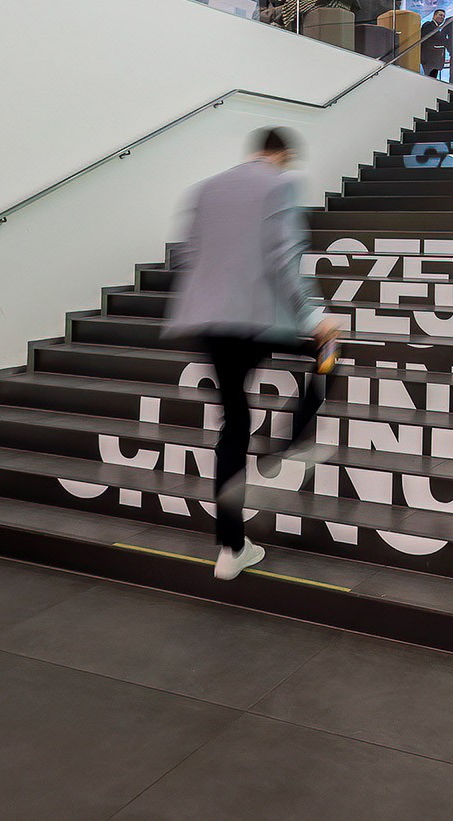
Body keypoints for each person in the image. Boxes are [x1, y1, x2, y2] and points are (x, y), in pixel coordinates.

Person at [164, 128, 341, 581]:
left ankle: (230, 547)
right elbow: (283, 255)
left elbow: (184, 255)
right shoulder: (279, 183)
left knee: (234, 423)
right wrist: (312, 315)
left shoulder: (206, 189)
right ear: (281, 155)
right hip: (259, 319)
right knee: (328, 346)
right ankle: (293, 440)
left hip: (210, 322)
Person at [419, 7, 450, 79]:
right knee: (429, 80)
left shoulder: (437, 28)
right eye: (440, 15)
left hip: (434, 62)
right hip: (429, 61)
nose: (442, 17)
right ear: (434, 16)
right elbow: (427, 42)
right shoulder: (429, 25)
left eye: (443, 16)